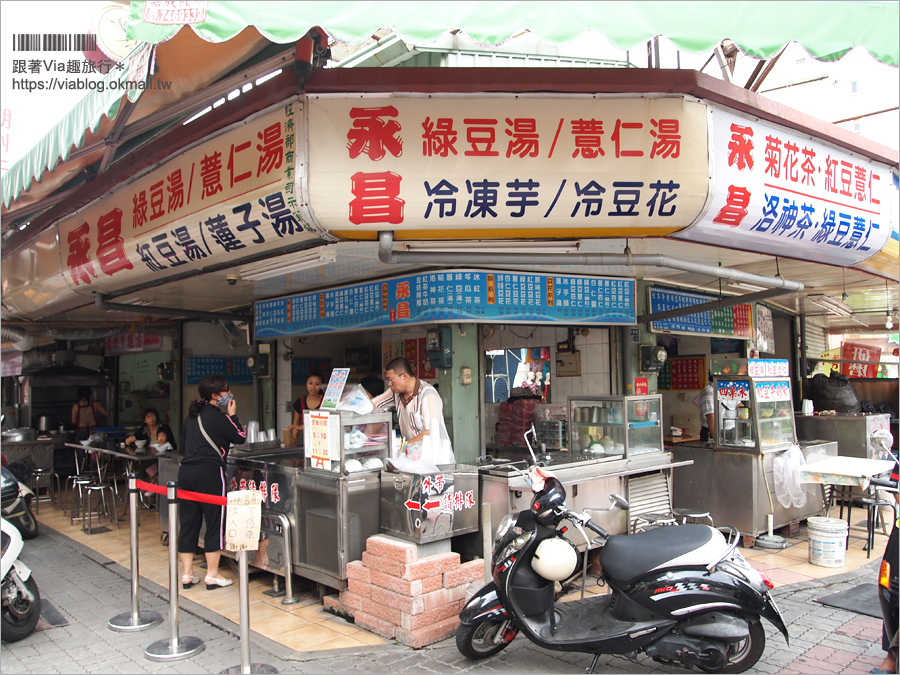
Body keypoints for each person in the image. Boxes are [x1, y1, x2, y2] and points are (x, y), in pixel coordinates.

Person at [178, 374, 246, 590]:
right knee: (214, 522)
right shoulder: (220, 417)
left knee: (188, 523)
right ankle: (212, 574)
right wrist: (233, 415)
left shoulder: (190, 418)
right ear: (216, 396)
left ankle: (187, 574)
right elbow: (240, 437)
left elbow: (183, 445)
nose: (229, 393)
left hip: (185, 473)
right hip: (209, 473)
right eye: (226, 390)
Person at [384, 356, 454, 463]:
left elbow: (431, 432)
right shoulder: (396, 392)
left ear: (404, 377)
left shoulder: (427, 394)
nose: (389, 384)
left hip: (434, 459)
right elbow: (373, 405)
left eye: (391, 380)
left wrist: (403, 445)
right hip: (413, 458)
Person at [288, 372, 325, 445]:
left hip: (324, 441)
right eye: (310, 383)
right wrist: (294, 438)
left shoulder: (327, 401)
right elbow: (296, 424)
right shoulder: (300, 402)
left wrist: (303, 426)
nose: (313, 387)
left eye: (317, 384)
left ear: (321, 386)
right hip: (307, 442)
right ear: (306, 384)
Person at [698, 375, 715, 443]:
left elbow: (738, 405)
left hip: (728, 431)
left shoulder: (729, 388)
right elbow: (710, 416)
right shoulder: (708, 391)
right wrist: (716, 440)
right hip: (711, 432)